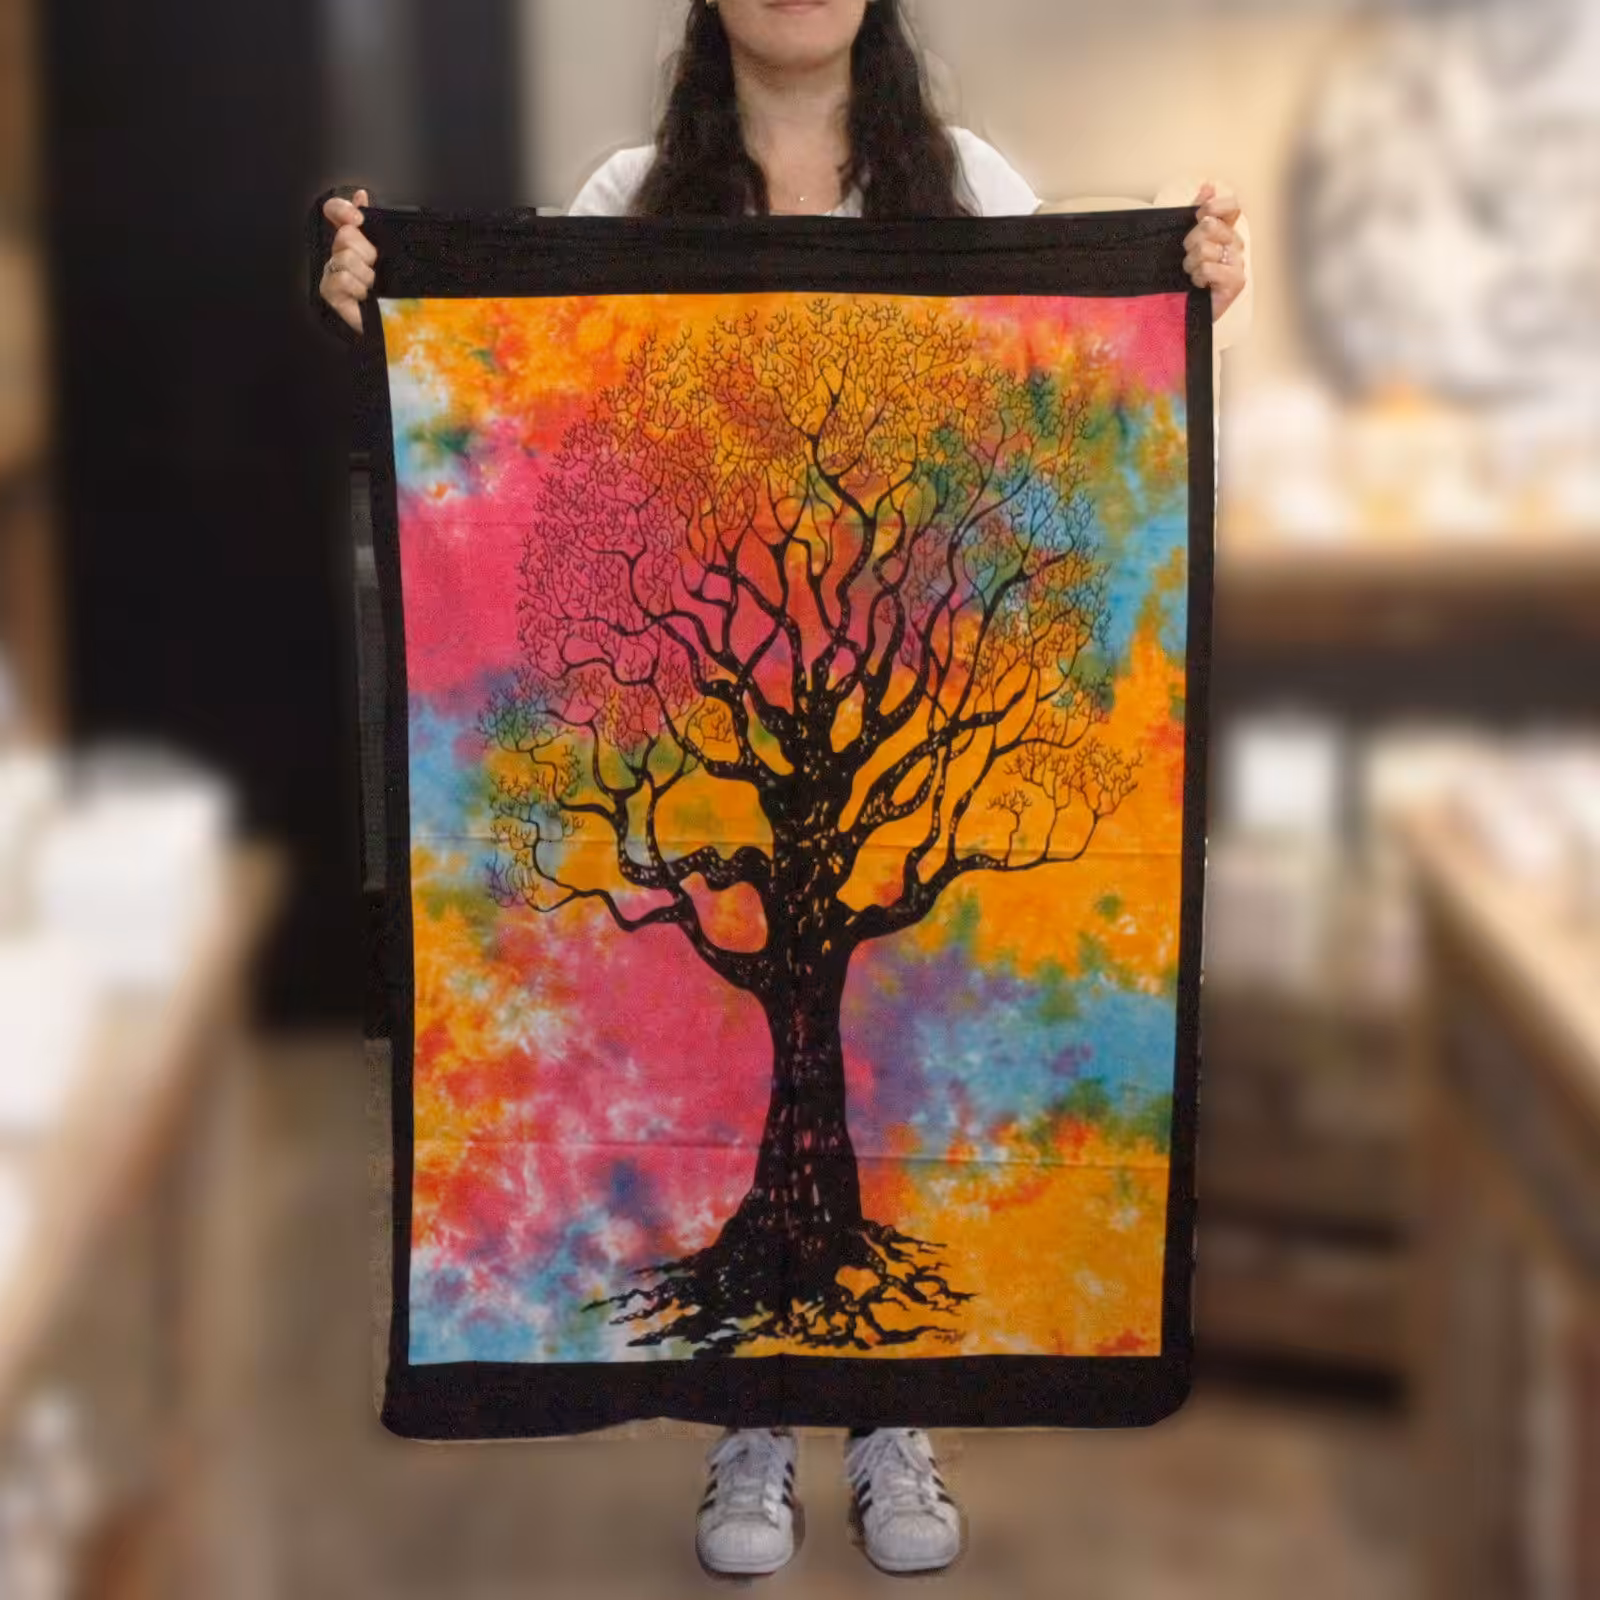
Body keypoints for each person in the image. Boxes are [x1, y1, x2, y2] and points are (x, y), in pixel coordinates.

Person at [319, 0, 1250, 1579]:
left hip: (913, 692)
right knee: (731, 1048)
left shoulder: (973, 194)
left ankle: (892, 1413)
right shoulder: (624, 205)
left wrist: (1195, 300)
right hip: (705, 712)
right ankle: (747, 1412)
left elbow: (1085, 427)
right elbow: (521, 429)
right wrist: (385, 304)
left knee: (865, 1050)